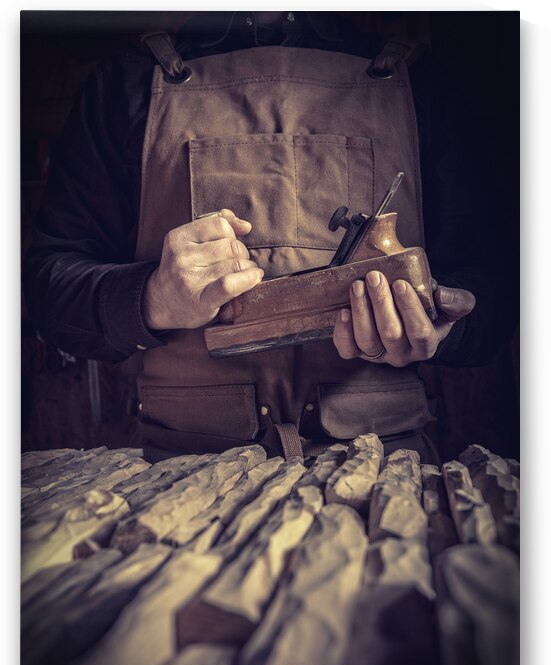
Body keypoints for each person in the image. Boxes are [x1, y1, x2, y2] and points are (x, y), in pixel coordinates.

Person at [23, 11, 517, 463]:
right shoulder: (128, 83)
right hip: (187, 471)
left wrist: (438, 326)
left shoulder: (416, 81)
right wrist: (151, 299)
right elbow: (49, 286)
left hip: (381, 466)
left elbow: (494, 291)